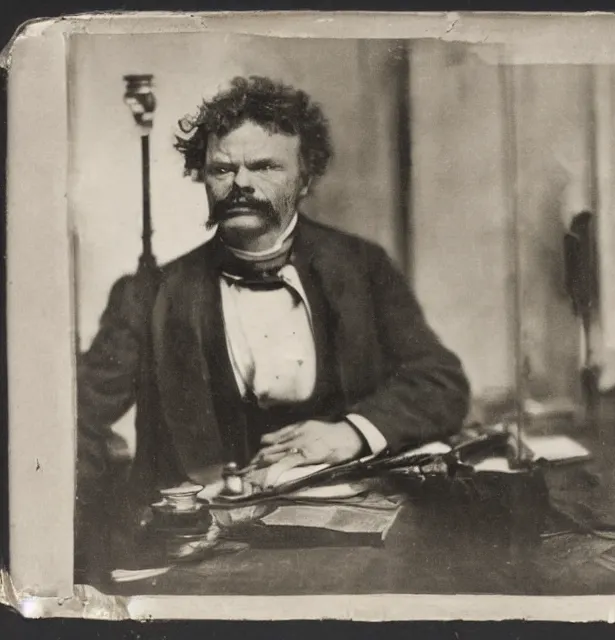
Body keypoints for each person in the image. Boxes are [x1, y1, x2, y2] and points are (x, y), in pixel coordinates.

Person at [75, 76, 471, 573]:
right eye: (222, 168)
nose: (240, 183)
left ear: (305, 178)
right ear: (203, 177)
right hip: (200, 551)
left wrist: (352, 430)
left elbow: (441, 383)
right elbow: (76, 418)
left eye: (264, 166)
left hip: (352, 537)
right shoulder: (148, 294)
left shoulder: (361, 268)